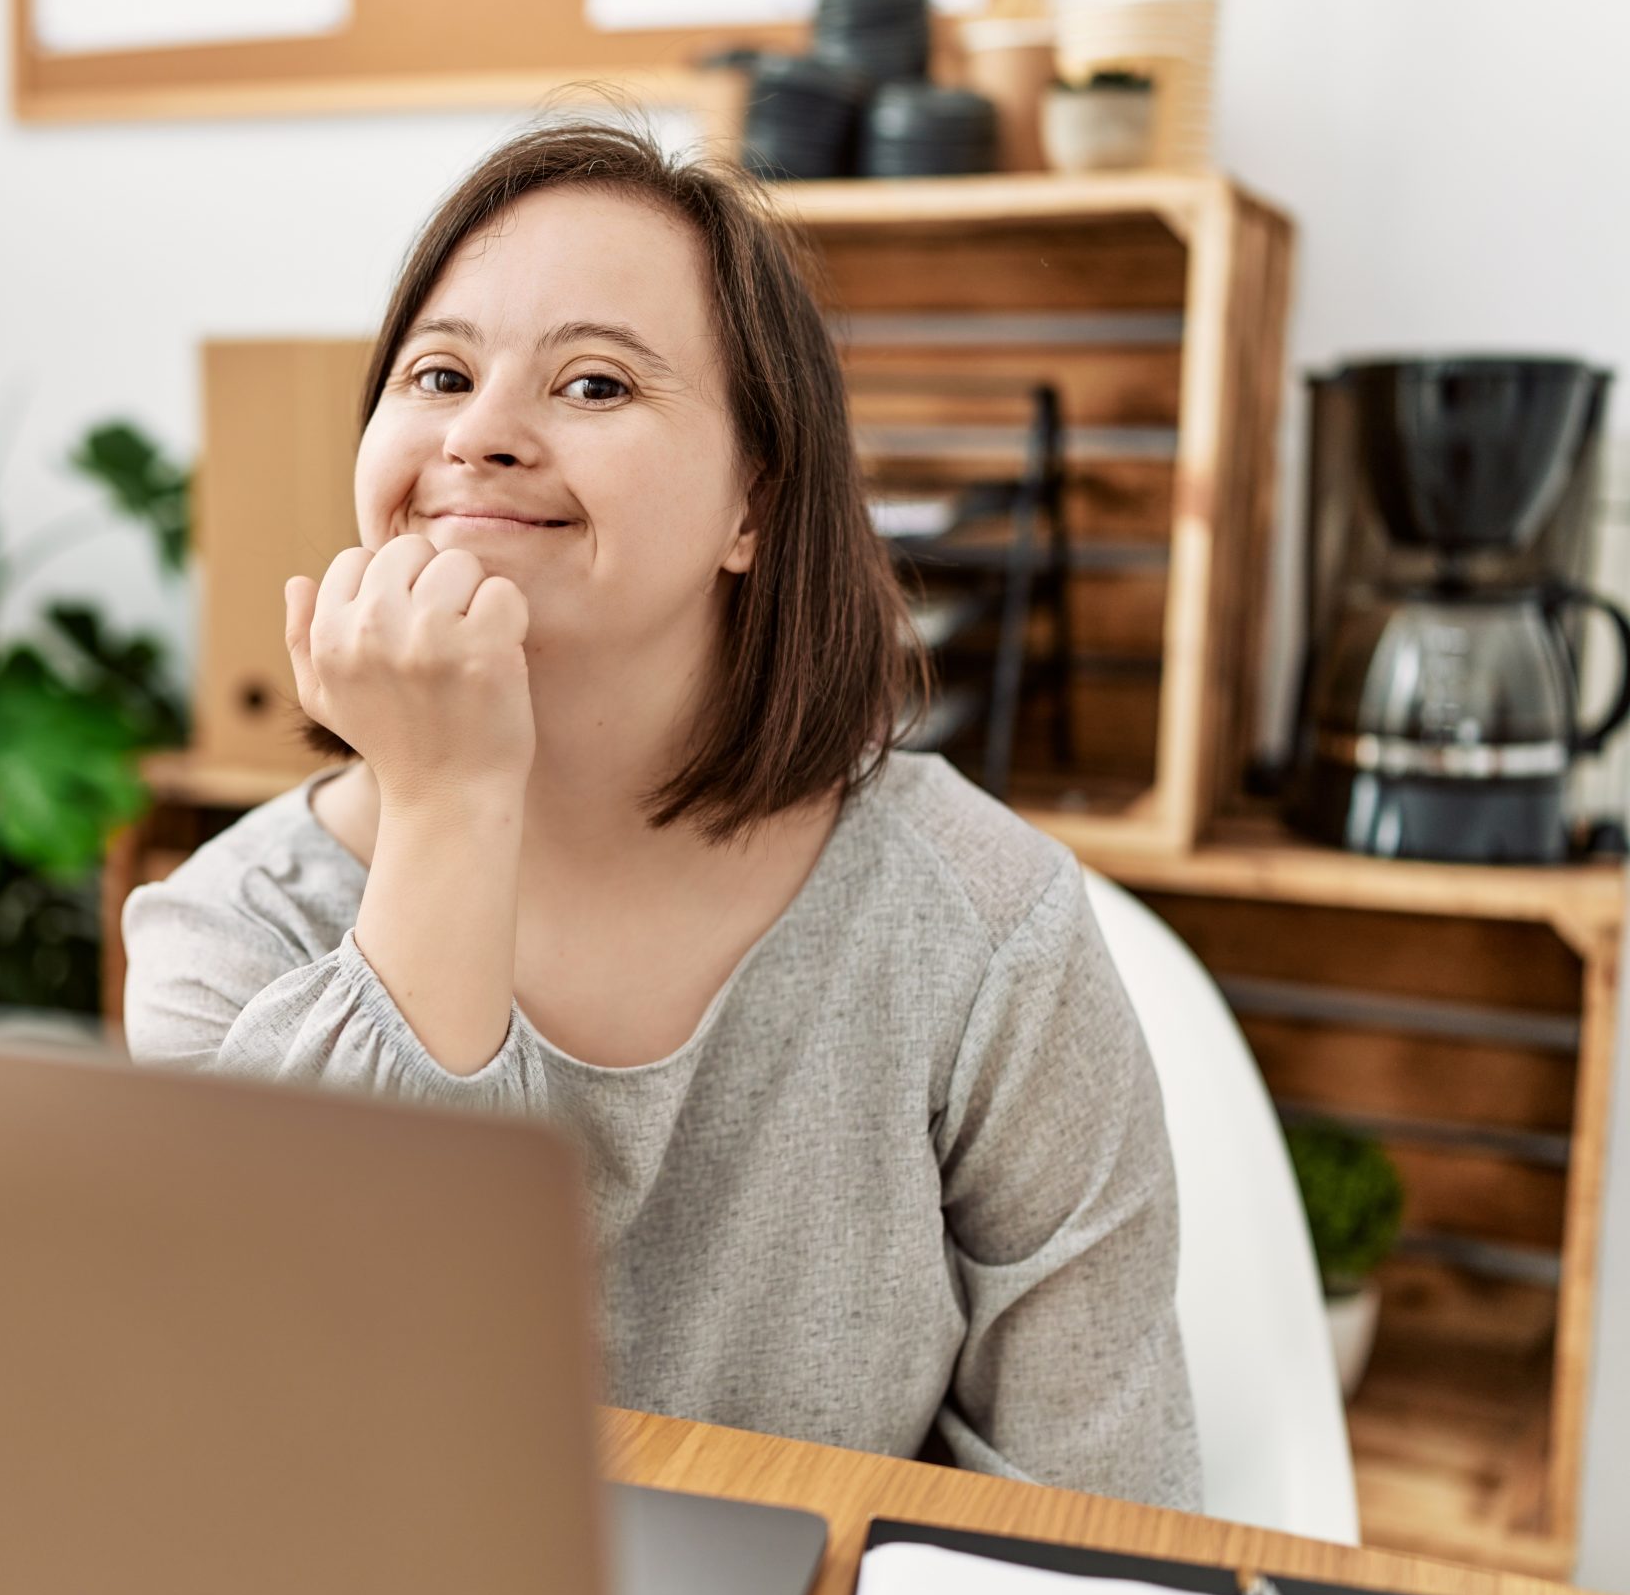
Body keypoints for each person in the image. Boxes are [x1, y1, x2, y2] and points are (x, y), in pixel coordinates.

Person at [120, 117, 1200, 1510]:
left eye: (593, 383)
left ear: (755, 500)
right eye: (438, 373)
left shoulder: (988, 933)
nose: (483, 436)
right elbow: (283, 1455)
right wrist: (450, 802)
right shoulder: (231, 930)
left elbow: (1096, 1525)